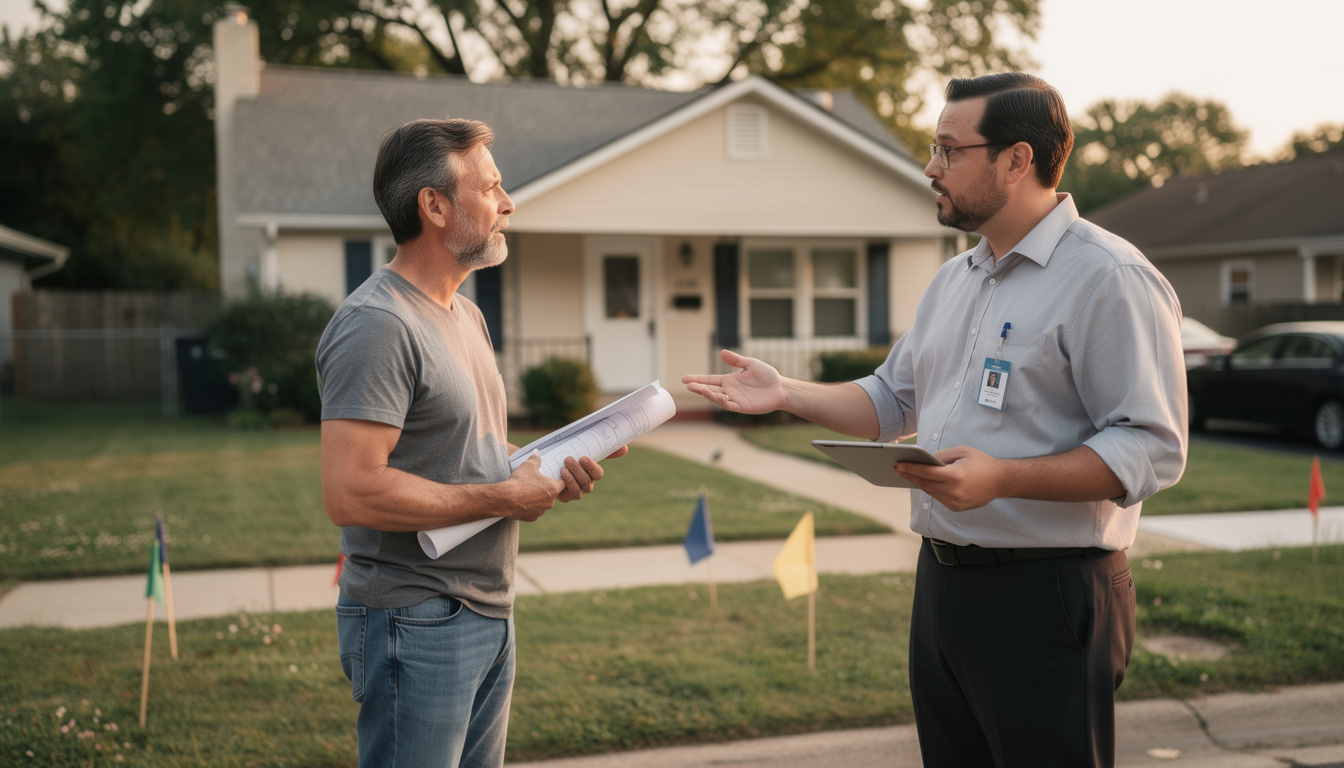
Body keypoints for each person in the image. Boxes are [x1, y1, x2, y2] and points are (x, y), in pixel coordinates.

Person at [683, 73, 1186, 767]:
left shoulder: (1109, 277)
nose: (931, 168)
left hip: (1050, 593)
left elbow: (1151, 448)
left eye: (950, 151)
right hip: (944, 585)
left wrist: (1002, 478)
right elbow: (892, 402)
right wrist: (786, 393)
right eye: (934, 148)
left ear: (1017, 160)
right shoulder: (956, 279)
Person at [317, 118, 625, 768]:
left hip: (484, 607)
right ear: (434, 205)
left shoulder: (465, 314)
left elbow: (460, 448)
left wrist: (550, 467)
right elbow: (351, 490)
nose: (508, 202)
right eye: (491, 187)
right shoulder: (378, 325)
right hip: (414, 615)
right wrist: (504, 496)